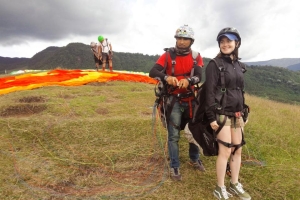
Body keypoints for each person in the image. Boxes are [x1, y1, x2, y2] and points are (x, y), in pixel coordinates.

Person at [149, 25, 205, 181]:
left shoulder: (196, 56)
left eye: (185, 39)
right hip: (173, 100)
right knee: (173, 135)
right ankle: (175, 165)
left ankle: (194, 159)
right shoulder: (167, 55)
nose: (181, 41)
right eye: (179, 38)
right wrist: (167, 78)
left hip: (191, 100)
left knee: (193, 131)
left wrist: (188, 81)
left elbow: (199, 76)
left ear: (191, 41)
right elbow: (153, 71)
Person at [205, 27, 251, 199]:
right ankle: (220, 187)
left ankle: (234, 183)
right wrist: (211, 117)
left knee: (237, 149)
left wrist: (244, 111)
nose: (225, 44)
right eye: (222, 41)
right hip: (221, 113)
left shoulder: (239, 66)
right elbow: (209, 93)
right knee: (225, 151)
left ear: (236, 43)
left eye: (229, 41)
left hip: (237, 113)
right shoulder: (214, 65)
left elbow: (240, 90)